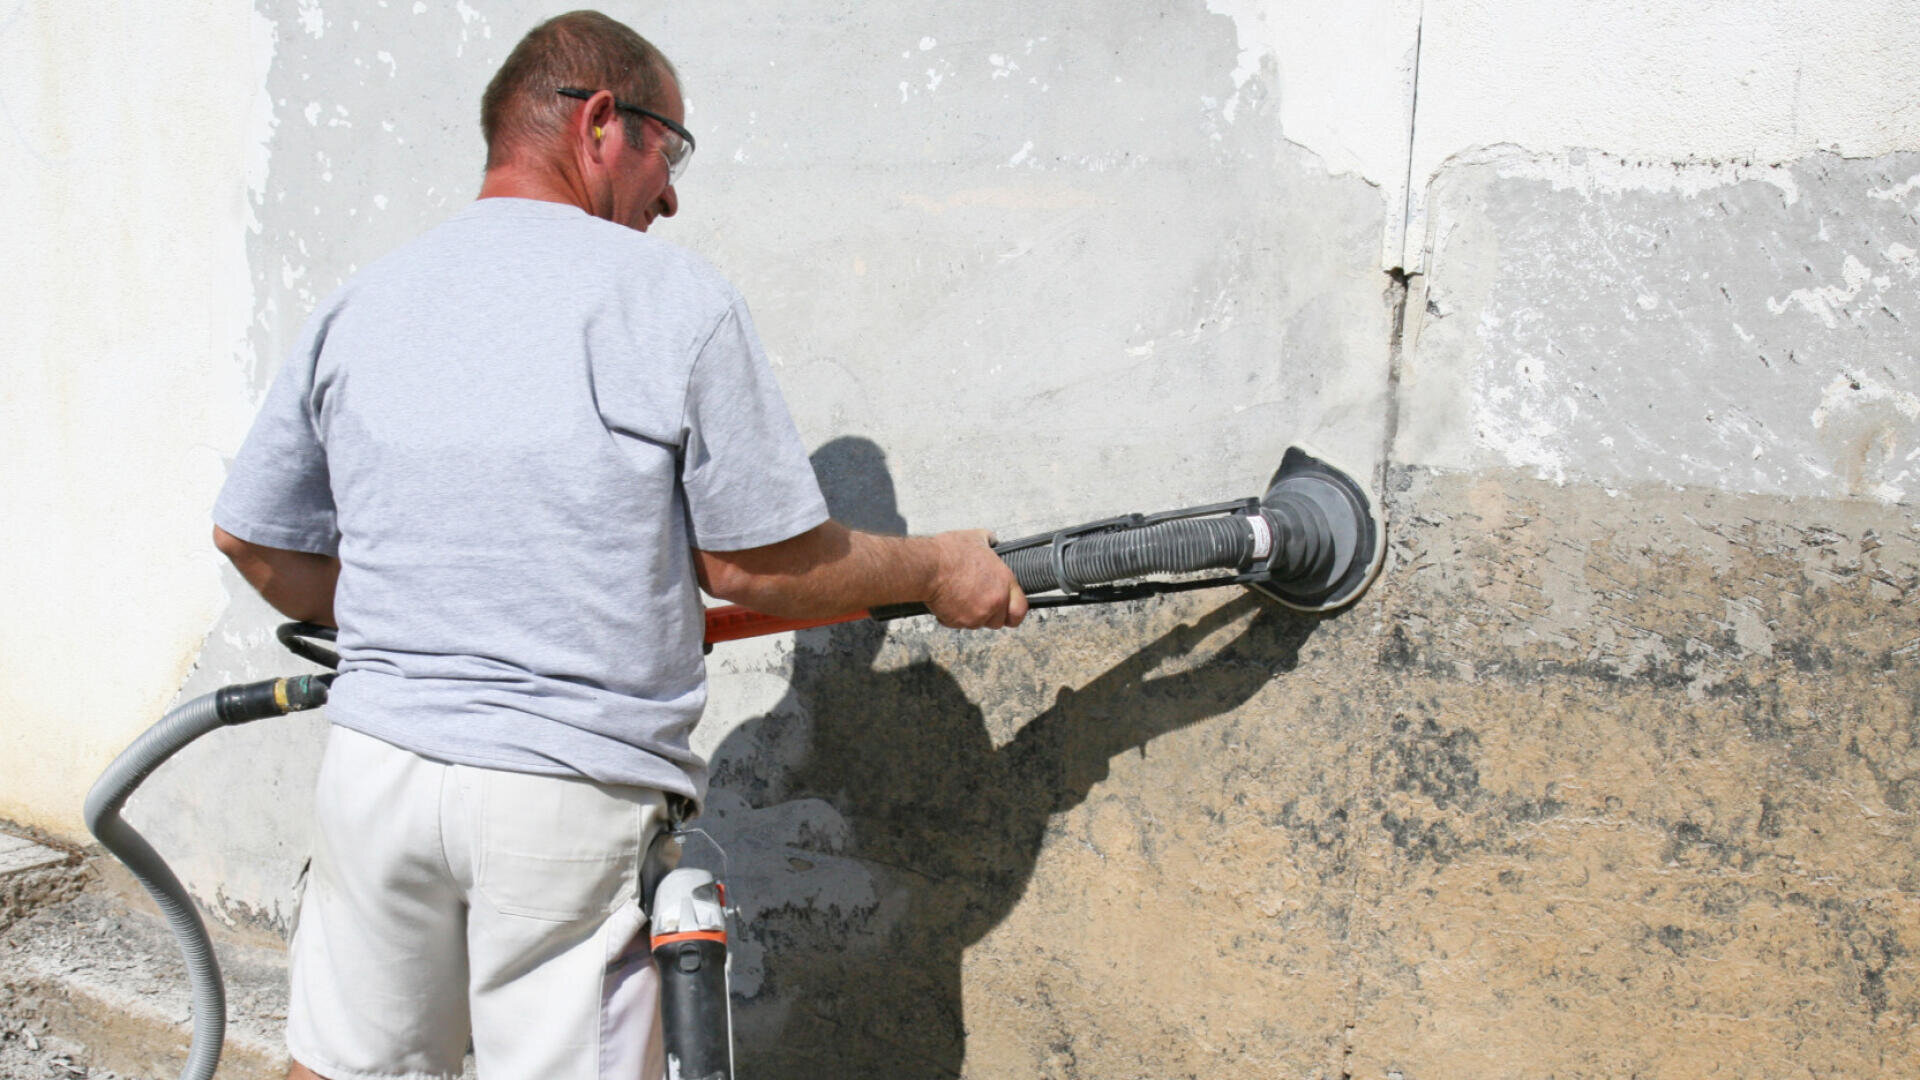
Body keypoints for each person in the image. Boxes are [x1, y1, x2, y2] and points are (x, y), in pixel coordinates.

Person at [210, 11, 1024, 1080]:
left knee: (338, 1068)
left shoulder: (366, 299)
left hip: (377, 771)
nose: (673, 192)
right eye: (669, 147)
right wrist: (937, 565)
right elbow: (757, 568)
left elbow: (251, 537)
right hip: (562, 792)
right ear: (602, 122)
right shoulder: (669, 297)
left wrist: (424, 611)